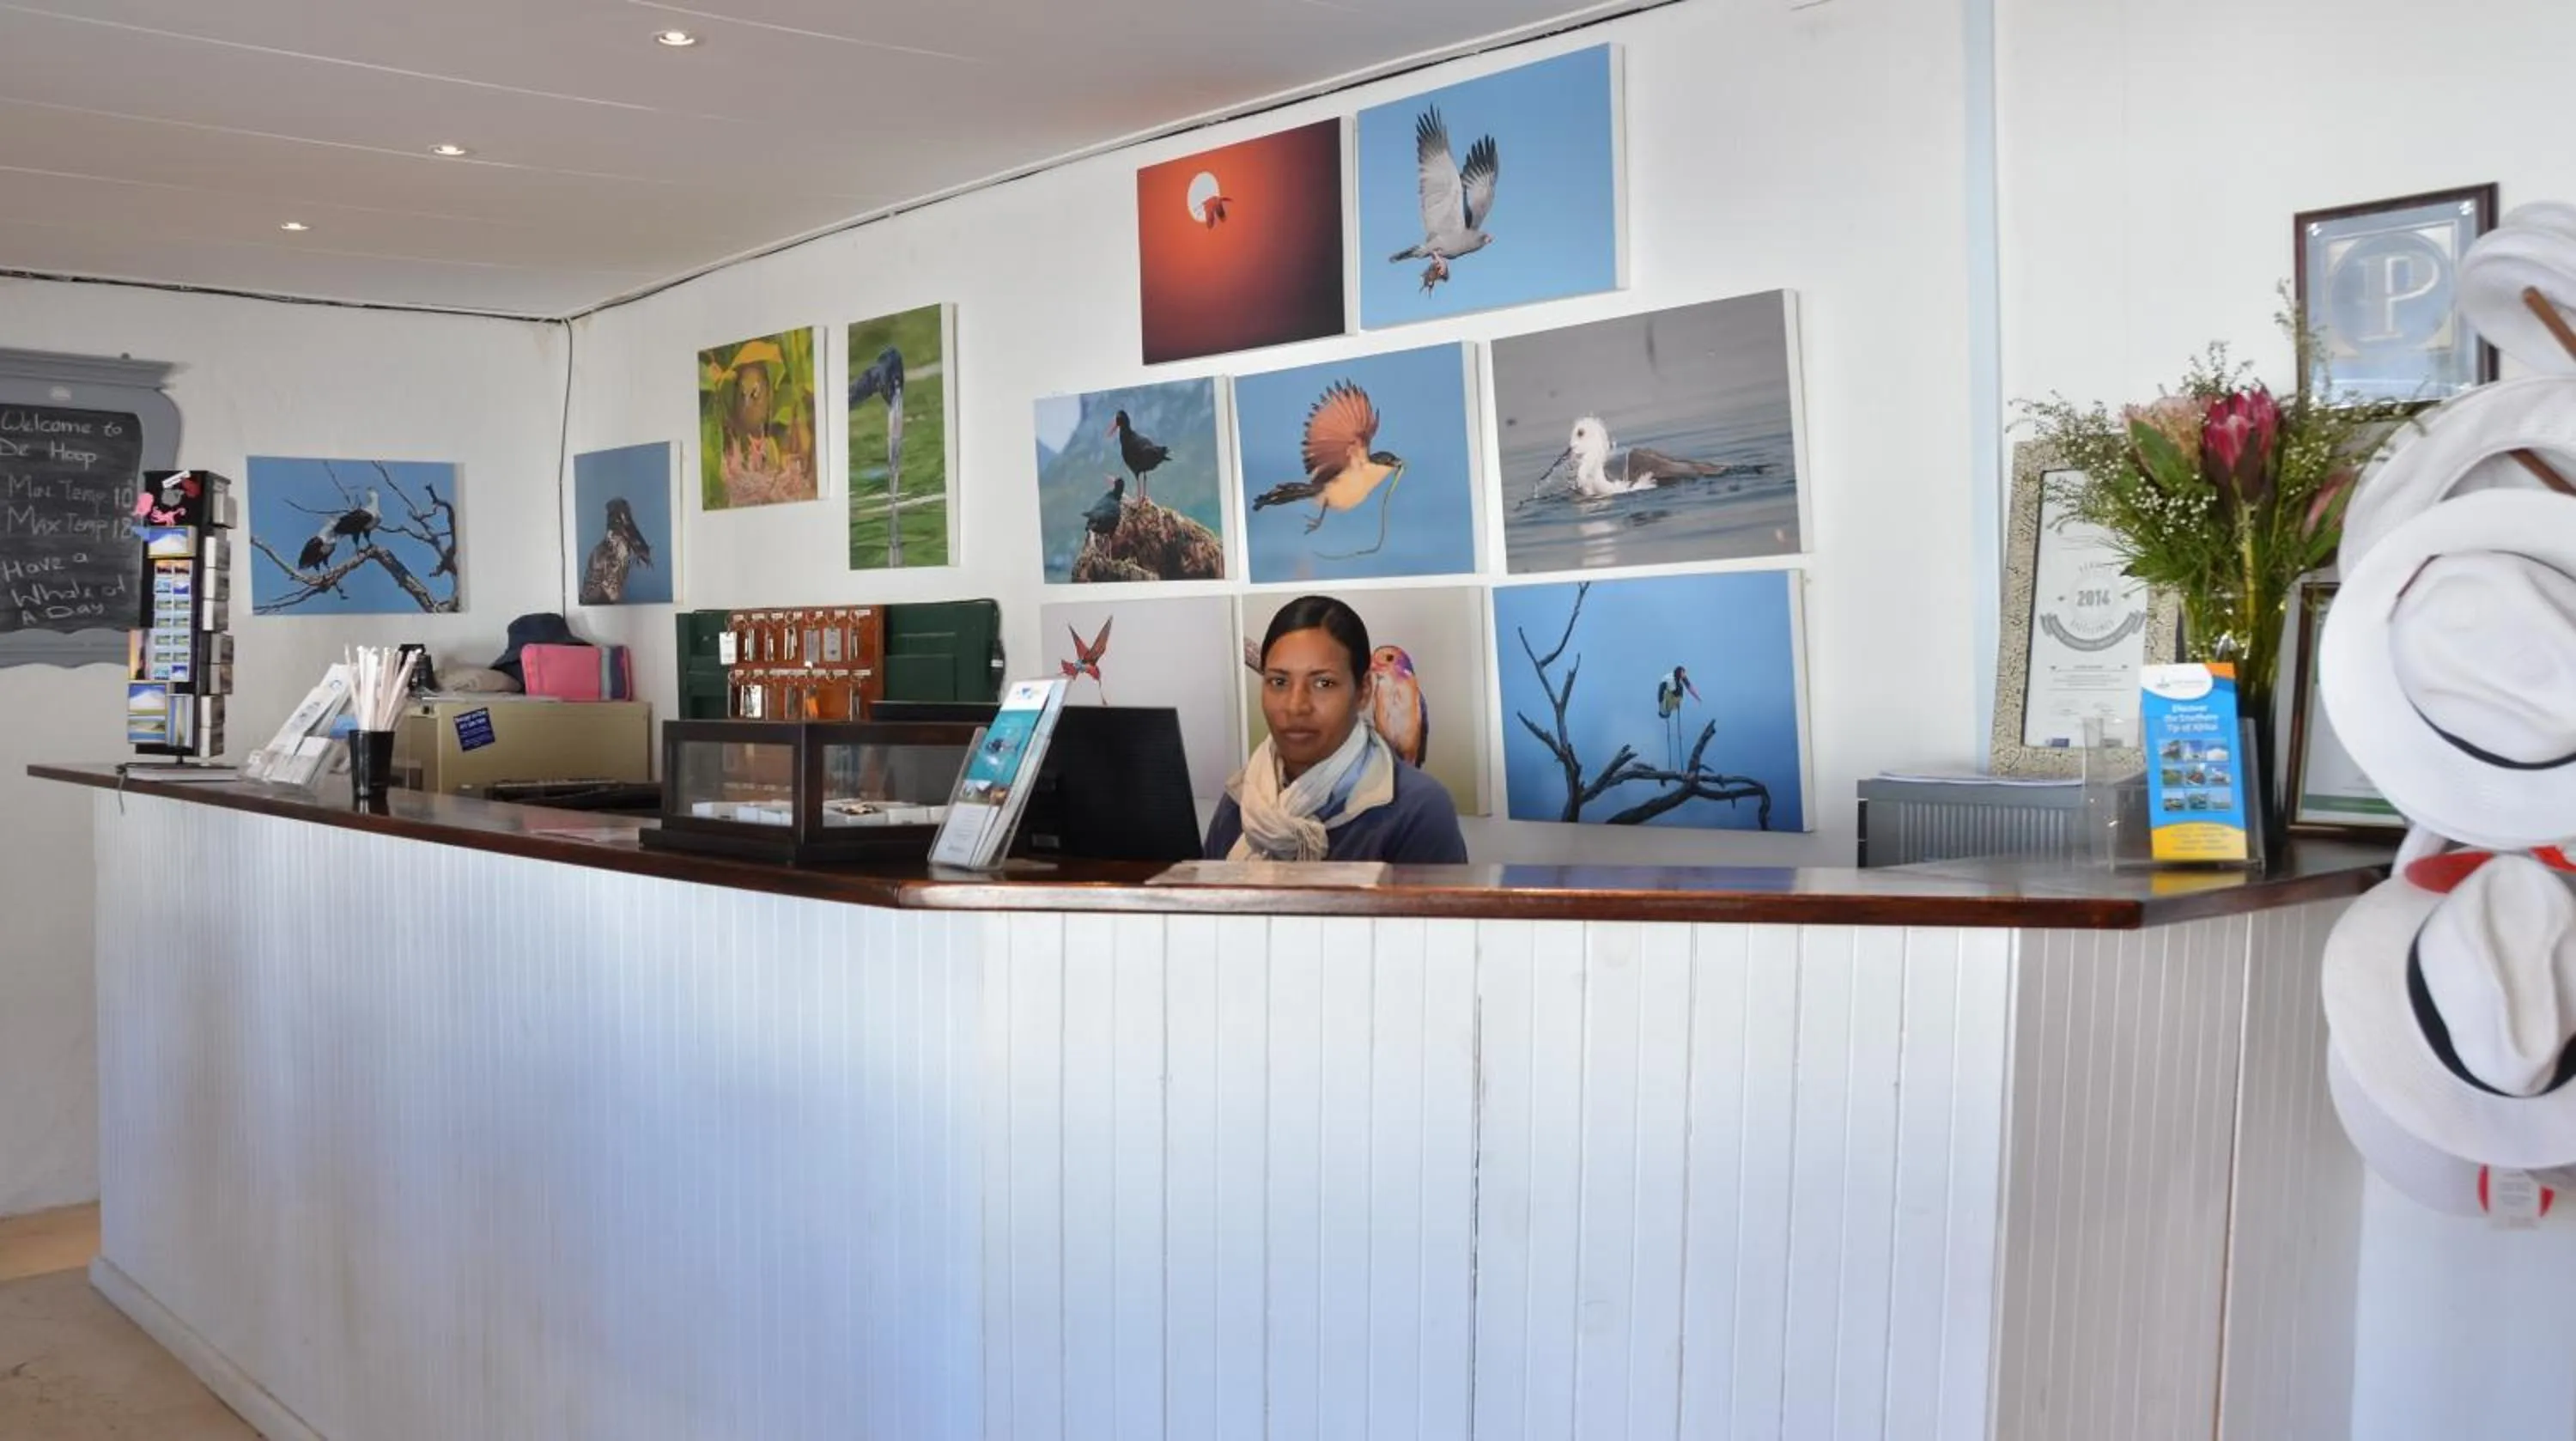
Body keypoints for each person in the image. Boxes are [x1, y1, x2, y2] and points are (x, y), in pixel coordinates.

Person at [1206, 595, 1469, 864]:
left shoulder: (1417, 809)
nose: (1296, 706)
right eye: (1279, 681)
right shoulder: (1244, 798)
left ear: (1363, 691)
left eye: (1324, 684)